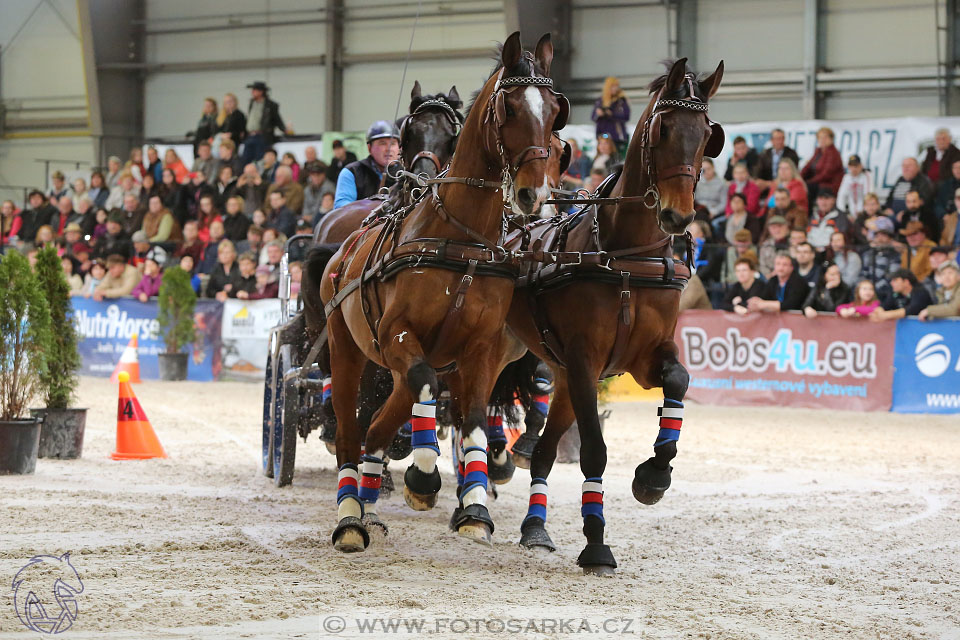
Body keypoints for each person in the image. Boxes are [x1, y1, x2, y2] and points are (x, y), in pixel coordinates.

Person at [334, 121, 400, 208]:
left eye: (393, 143)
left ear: (399, 148)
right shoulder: (352, 172)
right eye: (382, 143)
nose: (388, 149)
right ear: (369, 148)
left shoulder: (408, 175)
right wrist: (372, 209)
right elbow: (342, 208)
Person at [242, 81, 291, 164]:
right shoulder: (252, 103)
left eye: (255, 90)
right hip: (250, 135)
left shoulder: (270, 105)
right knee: (246, 160)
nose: (252, 92)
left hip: (261, 136)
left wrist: (284, 129)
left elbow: (277, 119)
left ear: (261, 92)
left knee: (260, 159)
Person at [800, 127, 844, 208]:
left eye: (825, 137)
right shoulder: (819, 151)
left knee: (807, 188)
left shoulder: (833, 153)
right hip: (817, 183)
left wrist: (809, 182)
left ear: (831, 139)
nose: (822, 140)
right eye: (820, 137)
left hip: (828, 185)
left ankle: (808, 213)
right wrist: (799, 177)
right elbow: (808, 167)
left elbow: (826, 175)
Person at [859, 217, 901, 300]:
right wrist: (864, 287)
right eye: (877, 236)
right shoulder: (869, 253)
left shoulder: (894, 255)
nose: (880, 239)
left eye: (883, 235)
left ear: (890, 238)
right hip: (867, 289)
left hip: (883, 291)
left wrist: (872, 289)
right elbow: (863, 272)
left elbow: (891, 276)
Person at [591, 77, 630, 156]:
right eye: (613, 86)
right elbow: (593, 117)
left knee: (617, 158)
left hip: (616, 137)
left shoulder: (621, 101)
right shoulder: (600, 101)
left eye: (616, 86)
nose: (615, 88)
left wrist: (611, 114)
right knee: (602, 158)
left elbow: (626, 116)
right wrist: (599, 114)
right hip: (602, 136)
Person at [695, 158, 727, 222]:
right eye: (704, 170)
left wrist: (714, 212)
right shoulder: (697, 183)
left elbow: (724, 203)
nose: (706, 172)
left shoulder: (721, 184)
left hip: (713, 211)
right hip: (699, 210)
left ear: (713, 168)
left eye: (708, 169)